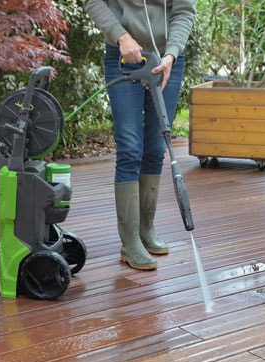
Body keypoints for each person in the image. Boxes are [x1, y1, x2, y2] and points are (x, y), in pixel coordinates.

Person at [84, 0, 196, 271]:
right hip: (124, 55)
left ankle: (146, 229)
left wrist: (171, 54)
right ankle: (129, 241)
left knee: (156, 146)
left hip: (169, 58)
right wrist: (121, 36)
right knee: (131, 146)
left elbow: (184, 11)